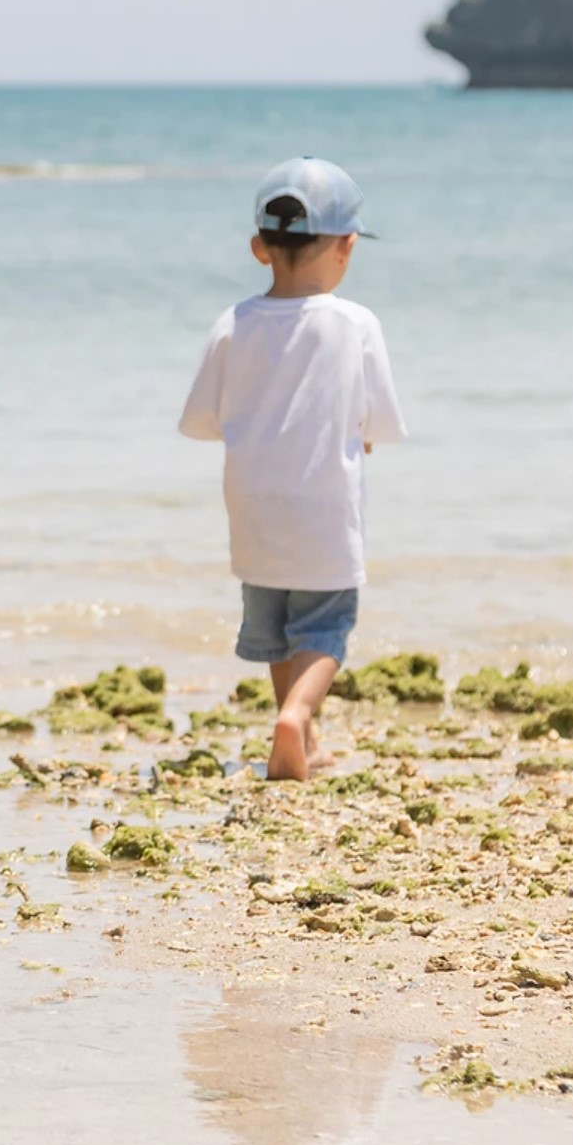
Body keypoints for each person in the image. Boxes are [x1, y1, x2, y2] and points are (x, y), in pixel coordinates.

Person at [177, 157, 407, 781]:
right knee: (326, 624)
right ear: (347, 246)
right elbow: (380, 421)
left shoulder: (234, 323)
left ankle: (299, 731)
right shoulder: (356, 324)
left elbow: (200, 421)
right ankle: (296, 715)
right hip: (324, 510)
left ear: (259, 248)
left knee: (278, 626)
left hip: (252, 510)